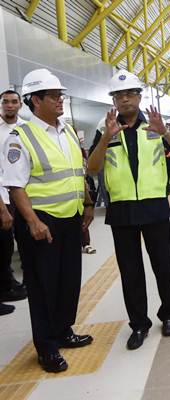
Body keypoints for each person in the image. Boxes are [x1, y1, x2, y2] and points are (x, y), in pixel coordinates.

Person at [87, 69, 170, 350]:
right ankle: (139, 325)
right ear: (114, 100)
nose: (125, 99)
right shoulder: (104, 127)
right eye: (119, 95)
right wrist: (106, 138)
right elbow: (92, 167)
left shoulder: (155, 124)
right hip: (121, 209)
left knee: (162, 266)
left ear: (139, 96)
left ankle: (169, 315)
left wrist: (165, 131)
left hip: (154, 205)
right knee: (130, 272)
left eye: (130, 93)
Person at [2, 69, 94, 372]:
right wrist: (32, 221)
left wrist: (86, 203)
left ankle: (64, 330)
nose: (60, 100)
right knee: (43, 286)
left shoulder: (66, 130)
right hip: (41, 223)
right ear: (35, 100)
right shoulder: (20, 137)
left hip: (70, 218)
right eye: (54, 96)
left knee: (69, 280)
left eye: (61, 95)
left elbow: (77, 171)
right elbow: (15, 186)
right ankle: (46, 347)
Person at [0, 90, 27, 308]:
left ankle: (17, 282)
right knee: (4, 243)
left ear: (20, 104)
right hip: (3, 195)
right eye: (5, 102)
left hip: (24, 193)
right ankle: (5, 286)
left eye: (13, 102)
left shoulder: (26, 128)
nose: (10, 105)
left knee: (25, 237)